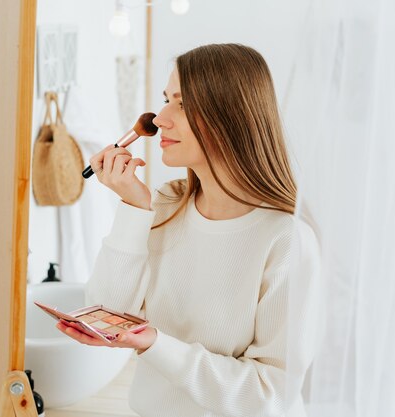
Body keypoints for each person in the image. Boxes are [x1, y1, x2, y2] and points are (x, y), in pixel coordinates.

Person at [56, 43, 321, 417]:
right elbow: (110, 316)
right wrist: (134, 206)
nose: (160, 117)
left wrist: (156, 344)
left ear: (231, 116)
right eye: (166, 100)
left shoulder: (285, 240)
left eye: (181, 104)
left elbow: (270, 396)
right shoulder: (165, 207)